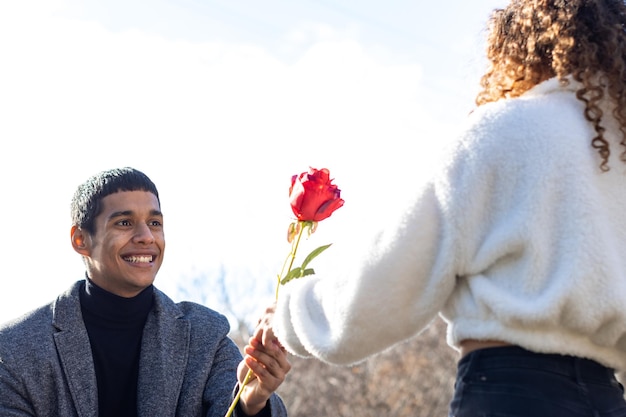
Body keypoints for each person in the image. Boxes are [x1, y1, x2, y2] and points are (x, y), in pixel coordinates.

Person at [258, 1, 626, 416]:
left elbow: (391, 280)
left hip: (509, 393)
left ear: (520, 45)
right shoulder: (618, 160)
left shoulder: (505, 129)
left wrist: (290, 314)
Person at [0, 167, 290, 417]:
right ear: (80, 240)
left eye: (155, 223)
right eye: (124, 223)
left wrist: (251, 401)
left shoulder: (205, 335)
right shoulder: (16, 349)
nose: (146, 237)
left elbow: (234, 404)